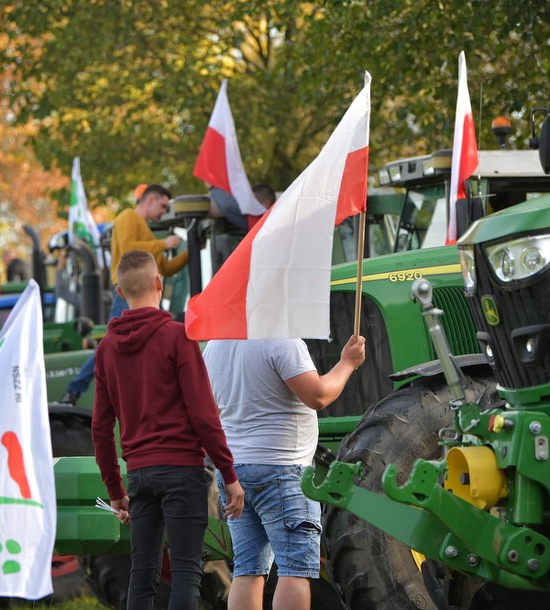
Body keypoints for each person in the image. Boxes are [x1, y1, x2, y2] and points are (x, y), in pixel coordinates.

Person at [92, 250, 244, 610]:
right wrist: (228, 473)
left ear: (119, 291)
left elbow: (100, 428)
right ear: (160, 283)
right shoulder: (178, 337)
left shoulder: (106, 348)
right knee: (186, 572)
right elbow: (204, 413)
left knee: (141, 574)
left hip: (140, 476)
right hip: (181, 472)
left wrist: (116, 489)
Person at [203, 334, 366, 610]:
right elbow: (318, 395)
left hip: (234, 471)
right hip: (283, 469)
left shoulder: (215, 347)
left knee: (247, 568)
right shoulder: (280, 342)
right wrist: (347, 363)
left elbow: (212, 408)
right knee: (295, 568)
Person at [59, 183, 187, 405]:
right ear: (150, 200)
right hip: (129, 295)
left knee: (163, 344)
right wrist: (163, 243)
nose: (164, 212)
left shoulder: (146, 231)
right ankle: (73, 392)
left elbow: (165, 267)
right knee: (111, 346)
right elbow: (129, 249)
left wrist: (191, 251)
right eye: (163, 206)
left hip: (147, 299)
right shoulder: (127, 217)